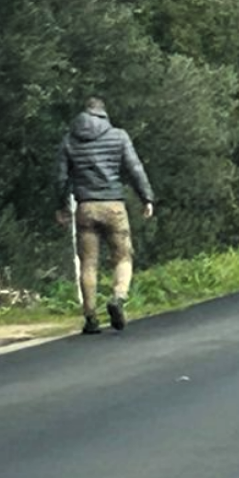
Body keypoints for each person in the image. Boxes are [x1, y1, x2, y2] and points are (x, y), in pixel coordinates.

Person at [56, 97, 155, 334]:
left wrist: (61, 207)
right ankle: (118, 297)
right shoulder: (119, 136)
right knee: (123, 256)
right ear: (103, 114)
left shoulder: (69, 141)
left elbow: (60, 177)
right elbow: (135, 168)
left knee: (88, 263)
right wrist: (147, 198)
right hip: (114, 206)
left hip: (85, 208)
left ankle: (90, 318)